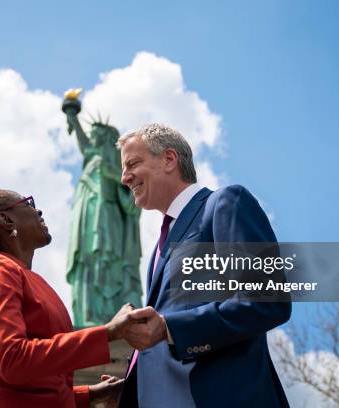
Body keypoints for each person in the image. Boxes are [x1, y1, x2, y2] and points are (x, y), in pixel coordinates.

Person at [116, 124, 292, 407]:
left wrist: (167, 327)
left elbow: (267, 302)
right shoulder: (157, 251)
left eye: (133, 164)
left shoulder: (225, 203)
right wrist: (133, 386)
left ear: (169, 160)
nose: (124, 178)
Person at [0, 189, 135, 407]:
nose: (38, 210)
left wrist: (95, 394)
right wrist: (107, 333)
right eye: (29, 204)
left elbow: (40, 384)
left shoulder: (29, 278)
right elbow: (13, 359)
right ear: (5, 219)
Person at [64, 108, 142, 327]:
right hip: (85, 217)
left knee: (106, 261)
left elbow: (131, 199)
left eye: (97, 133)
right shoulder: (93, 159)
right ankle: (88, 314)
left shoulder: (114, 165)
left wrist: (116, 178)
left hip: (108, 218)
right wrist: (73, 118)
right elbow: (84, 145)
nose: (92, 137)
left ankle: (112, 312)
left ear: (106, 137)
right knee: (86, 260)